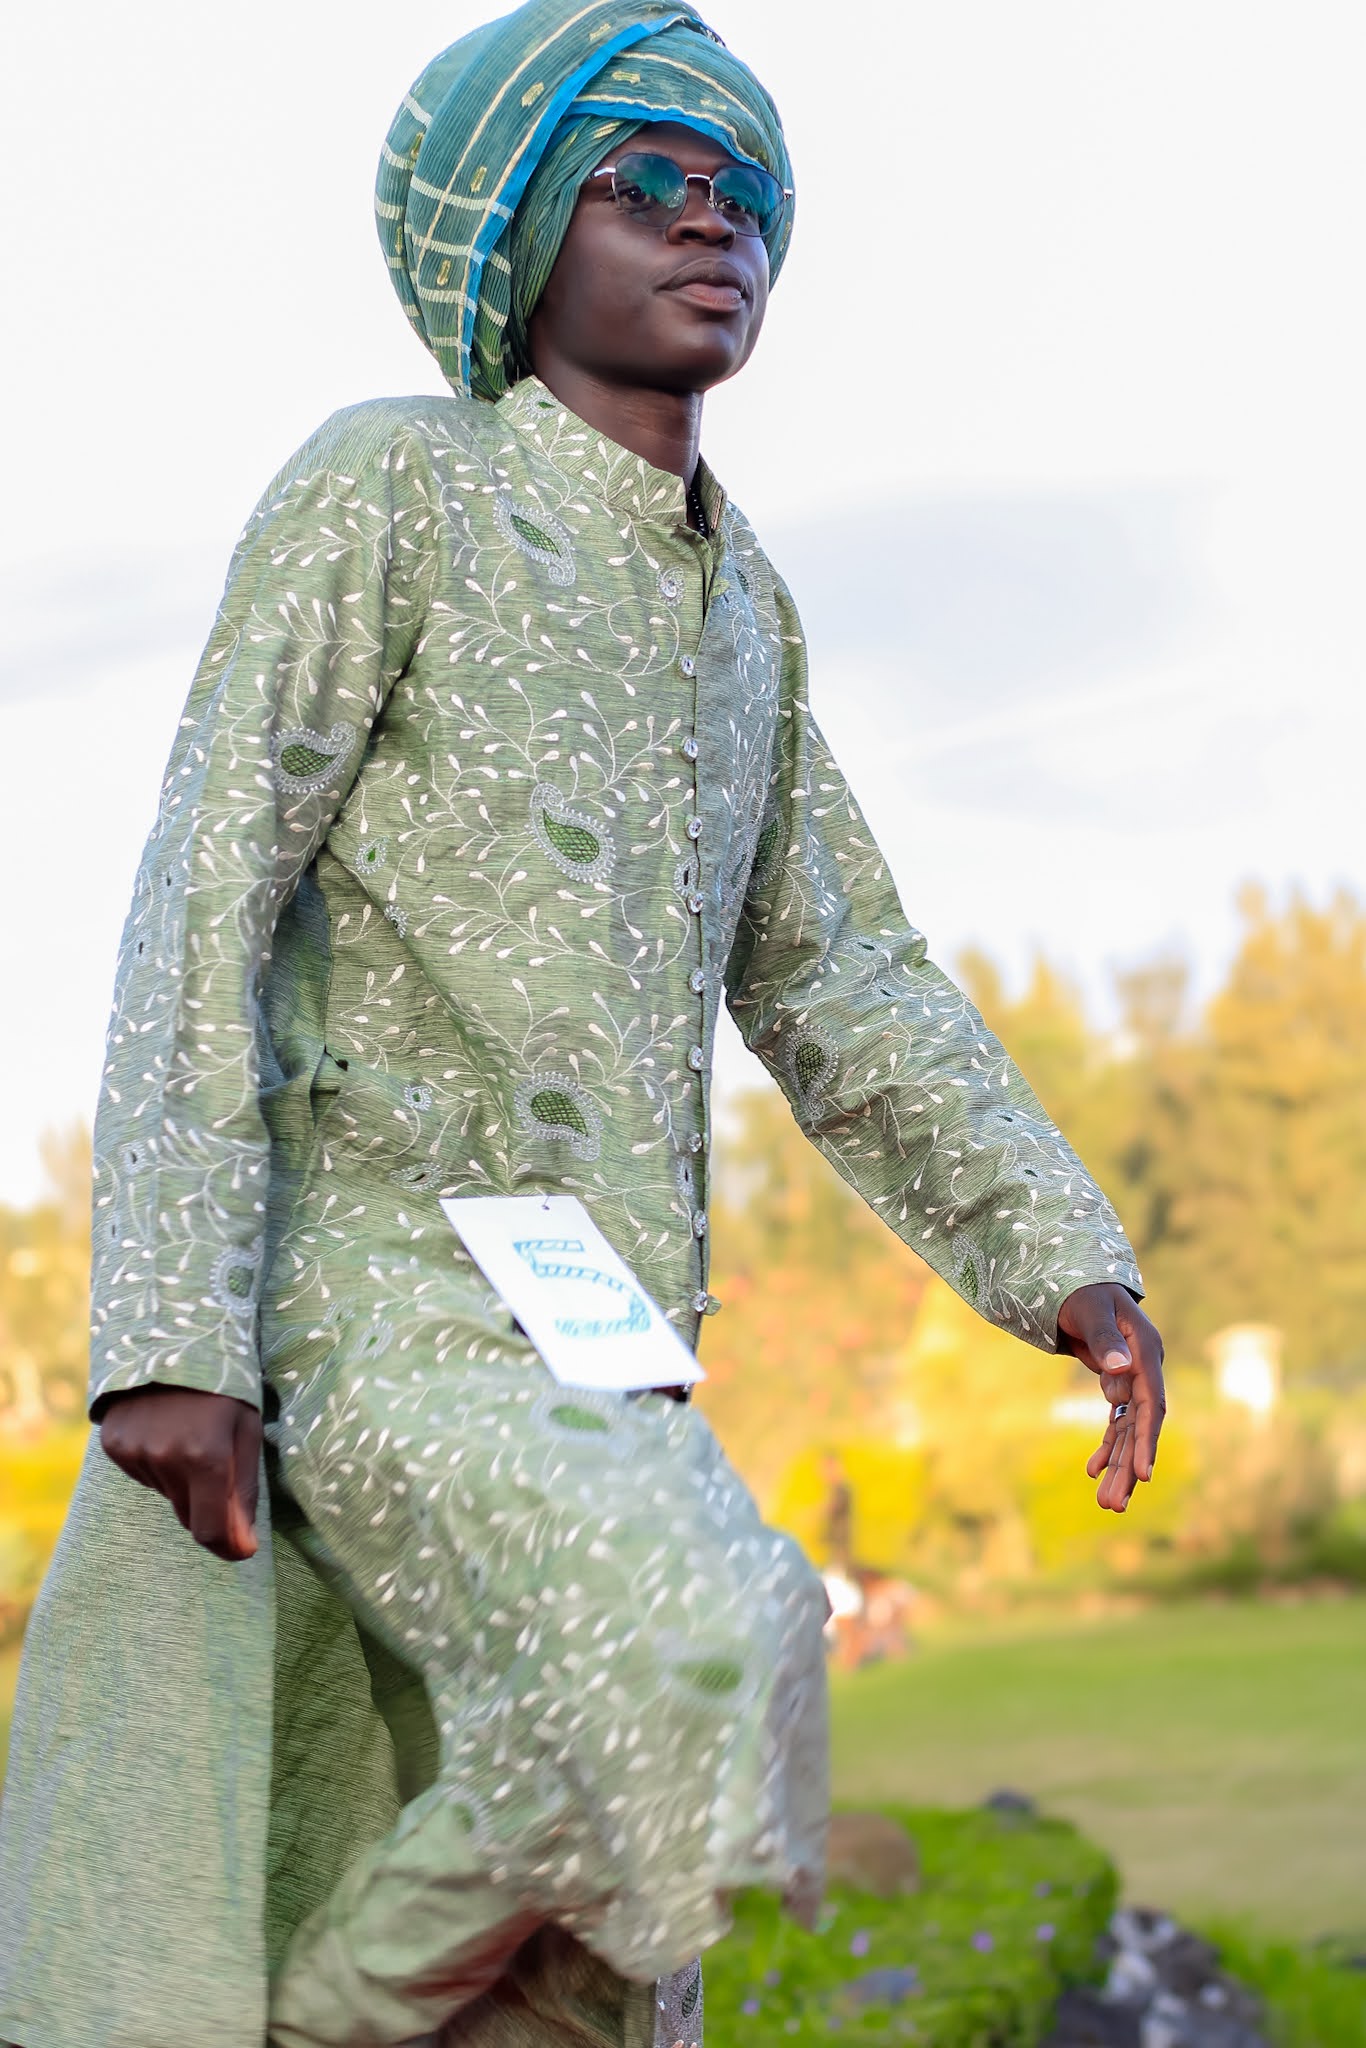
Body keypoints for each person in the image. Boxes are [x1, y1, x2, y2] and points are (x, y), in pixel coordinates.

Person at [0, 4, 1166, 2045]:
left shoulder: (741, 606)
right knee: (697, 1642)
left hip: (605, 1341)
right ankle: (319, 2023)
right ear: (522, 235)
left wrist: (1061, 1257)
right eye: (646, 182)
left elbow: (838, 968)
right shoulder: (395, 484)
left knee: (669, 1816)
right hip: (374, 1281)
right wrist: (171, 1328)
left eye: (745, 195)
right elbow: (210, 877)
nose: (713, 224)